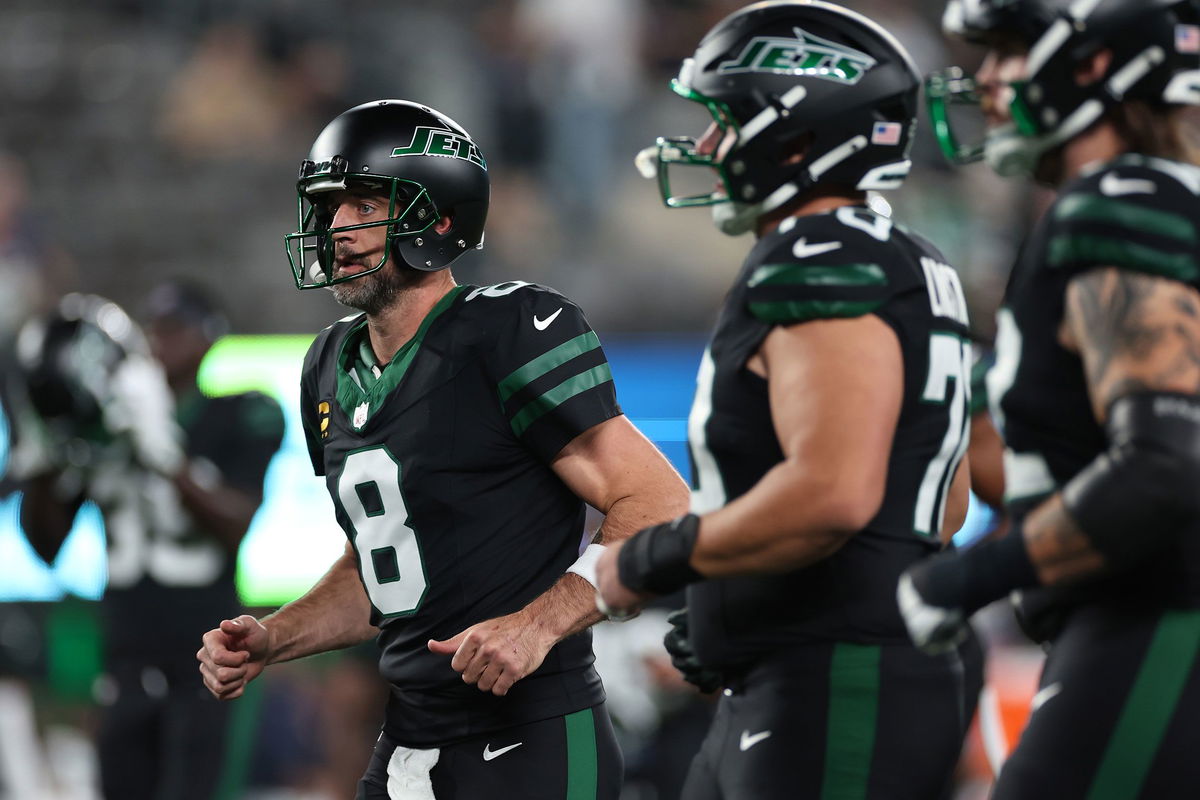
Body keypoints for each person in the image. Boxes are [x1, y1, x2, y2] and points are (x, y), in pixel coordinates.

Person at [196, 99, 689, 800]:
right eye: (329, 207)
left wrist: (536, 626)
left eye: (362, 205)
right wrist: (276, 637)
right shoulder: (329, 365)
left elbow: (661, 505)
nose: (336, 228)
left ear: (439, 216)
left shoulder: (507, 332)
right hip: (408, 743)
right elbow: (382, 567)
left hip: (531, 737)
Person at [594, 3, 983, 798]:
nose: (705, 146)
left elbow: (833, 495)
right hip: (831, 662)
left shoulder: (820, 257)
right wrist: (744, 607)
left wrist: (645, 559)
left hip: (839, 672)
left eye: (726, 120)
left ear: (800, 137)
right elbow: (938, 507)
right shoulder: (906, 255)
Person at [896, 0, 1200, 796]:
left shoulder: (1120, 205)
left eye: (1011, 52)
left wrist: (965, 580)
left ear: (1096, 63)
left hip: (1154, 624)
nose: (989, 79)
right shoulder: (1160, 201)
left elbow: (1163, 467)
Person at [14, 285, 284, 800]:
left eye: (176, 328)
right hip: (124, 658)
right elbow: (46, 546)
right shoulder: (103, 425)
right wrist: (44, 456)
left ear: (209, 338)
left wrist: (163, 454)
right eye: (154, 327)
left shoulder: (243, 412)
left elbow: (235, 523)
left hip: (206, 661)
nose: (160, 340)